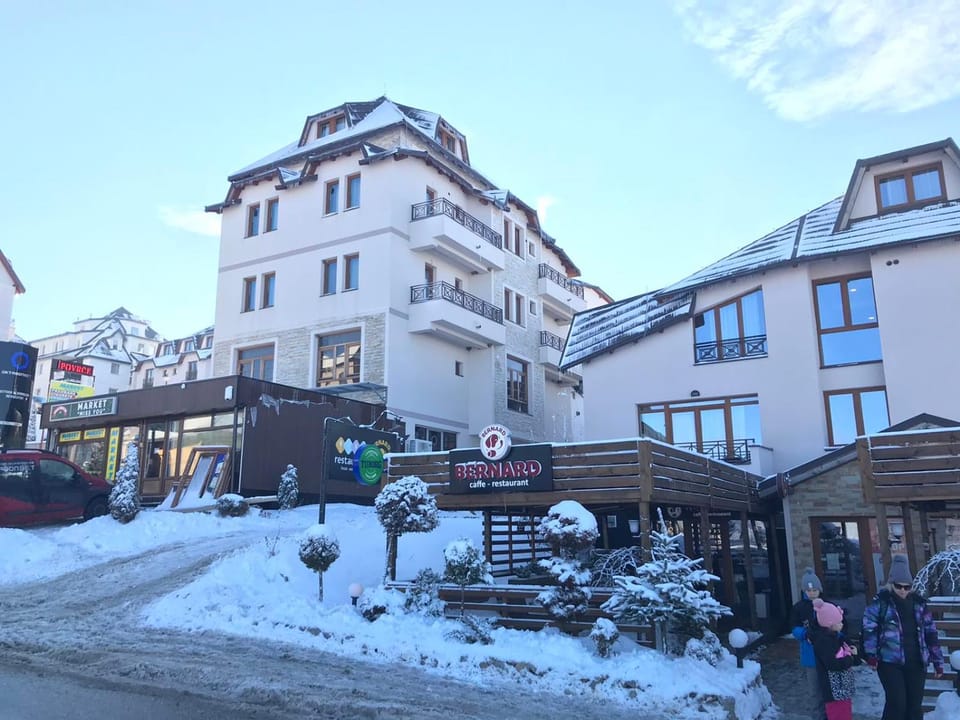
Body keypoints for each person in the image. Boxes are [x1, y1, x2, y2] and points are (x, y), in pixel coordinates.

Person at [861, 556, 944, 720]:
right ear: (891, 584)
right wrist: (871, 654)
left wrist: (937, 661)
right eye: (899, 586)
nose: (903, 590)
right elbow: (869, 629)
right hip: (889, 662)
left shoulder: (919, 604)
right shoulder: (881, 602)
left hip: (916, 661)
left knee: (914, 706)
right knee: (897, 704)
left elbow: (931, 633)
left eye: (907, 587)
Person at [810, 599, 859, 720]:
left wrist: (849, 650)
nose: (842, 624)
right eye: (839, 622)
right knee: (839, 715)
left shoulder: (834, 637)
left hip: (840, 688)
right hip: (834, 690)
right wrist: (849, 658)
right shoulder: (825, 641)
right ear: (830, 624)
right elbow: (833, 664)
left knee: (844, 713)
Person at [790, 567, 828, 720]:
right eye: (808, 590)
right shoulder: (799, 608)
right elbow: (794, 627)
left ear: (820, 590)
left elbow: (837, 623)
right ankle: (818, 716)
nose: (812, 593)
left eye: (814, 590)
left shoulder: (827, 606)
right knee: (814, 691)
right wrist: (804, 634)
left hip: (827, 654)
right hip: (810, 655)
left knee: (828, 688)